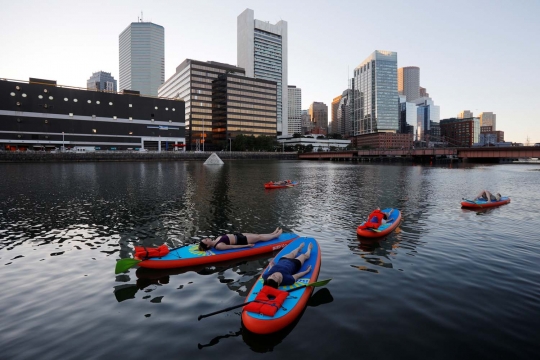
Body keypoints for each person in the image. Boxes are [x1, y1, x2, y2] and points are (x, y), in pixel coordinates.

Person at [198, 227, 282, 251]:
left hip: (238, 235)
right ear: (208, 245)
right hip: (241, 240)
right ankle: (275, 236)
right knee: (259, 238)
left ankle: (272, 233)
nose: (206, 238)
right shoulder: (219, 246)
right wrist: (247, 245)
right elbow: (233, 247)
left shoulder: (216, 239)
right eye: (205, 240)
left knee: (258, 235)